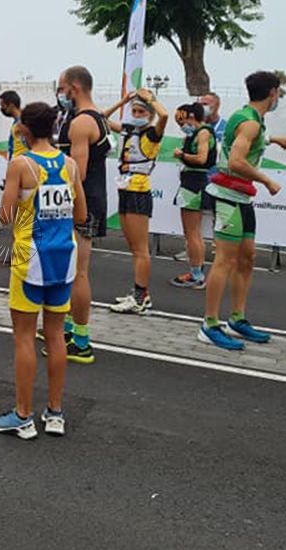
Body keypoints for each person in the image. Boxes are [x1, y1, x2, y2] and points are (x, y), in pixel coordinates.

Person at [0, 102, 85, 440]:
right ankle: (55, 412)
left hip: (31, 258)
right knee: (55, 335)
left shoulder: (21, 164)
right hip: (64, 257)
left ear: (23, 128)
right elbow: (81, 215)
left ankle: (23, 415)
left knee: (24, 337)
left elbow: (5, 215)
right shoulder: (70, 165)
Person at [197, 71, 286, 351]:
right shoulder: (250, 123)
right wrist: (267, 180)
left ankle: (237, 319)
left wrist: (274, 139)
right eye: (278, 93)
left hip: (242, 198)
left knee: (247, 257)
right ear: (273, 93)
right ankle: (209, 324)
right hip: (227, 197)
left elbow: (248, 140)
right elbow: (236, 161)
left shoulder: (253, 119)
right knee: (224, 261)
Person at [53, 66, 111, 364]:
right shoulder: (97, 117)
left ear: (73, 88)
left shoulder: (81, 123)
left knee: (78, 273)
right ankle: (64, 329)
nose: (60, 94)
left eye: (62, 88)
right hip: (87, 200)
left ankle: (81, 340)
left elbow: (78, 173)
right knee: (69, 271)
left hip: (81, 204)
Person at [103, 89, 168, 315]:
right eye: (135, 111)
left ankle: (140, 297)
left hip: (139, 191)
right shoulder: (128, 130)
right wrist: (123, 101)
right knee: (133, 246)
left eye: (142, 112)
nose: (137, 115)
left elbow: (165, 116)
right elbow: (102, 118)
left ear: (150, 115)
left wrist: (150, 99)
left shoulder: (152, 133)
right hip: (124, 188)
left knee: (141, 249)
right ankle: (140, 291)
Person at [169, 103, 217, 290]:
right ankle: (196, 271)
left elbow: (202, 158)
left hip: (194, 185)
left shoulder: (203, 133)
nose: (182, 126)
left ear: (190, 117)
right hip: (191, 182)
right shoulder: (197, 133)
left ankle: (197, 274)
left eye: (182, 122)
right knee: (193, 233)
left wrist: (182, 154)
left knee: (192, 234)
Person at [0, 90, 27, 161]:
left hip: (20, 161)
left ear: (11, 105)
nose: (2, 109)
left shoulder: (22, 123)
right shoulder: (17, 121)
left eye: (3, 106)